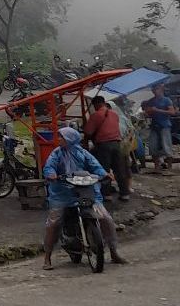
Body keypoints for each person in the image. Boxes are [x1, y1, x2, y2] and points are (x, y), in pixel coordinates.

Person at [41, 127, 127, 270]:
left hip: (85, 190)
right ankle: (47, 257)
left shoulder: (83, 153)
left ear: (70, 139)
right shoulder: (56, 154)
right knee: (53, 223)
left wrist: (104, 174)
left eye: (62, 137)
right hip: (63, 193)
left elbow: (95, 166)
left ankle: (113, 252)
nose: (59, 140)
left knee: (106, 219)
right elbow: (49, 167)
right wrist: (51, 174)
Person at [83, 96, 129, 201]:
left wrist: (85, 142)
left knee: (104, 170)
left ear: (96, 104)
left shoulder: (96, 115)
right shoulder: (114, 114)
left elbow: (88, 132)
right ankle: (125, 193)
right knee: (119, 169)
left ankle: (106, 194)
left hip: (103, 145)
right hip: (117, 144)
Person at [142, 84, 176, 174]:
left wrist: (157, 110)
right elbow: (147, 112)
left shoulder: (166, 100)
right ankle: (156, 167)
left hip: (164, 126)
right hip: (154, 126)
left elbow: (172, 112)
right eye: (153, 89)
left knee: (167, 147)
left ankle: (169, 168)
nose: (154, 91)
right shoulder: (151, 101)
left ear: (161, 89)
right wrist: (147, 113)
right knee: (153, 147)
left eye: (156, 89)